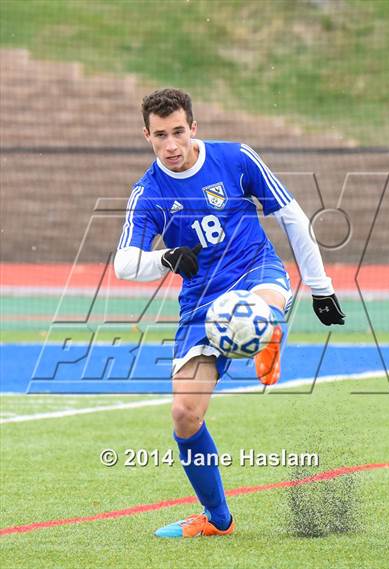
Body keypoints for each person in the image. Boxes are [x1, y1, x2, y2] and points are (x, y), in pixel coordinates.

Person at [114, 88, 345, 538]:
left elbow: (292, 216)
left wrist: (320, 288)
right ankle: (218, 519)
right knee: (184, 414)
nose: (171, 145)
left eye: (178, 131)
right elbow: (124, 262)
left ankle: (267, 331)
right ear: (146, 136)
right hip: (200, 300)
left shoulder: (236, 158)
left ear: (193, 127)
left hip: (254, 270)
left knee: (260, 302)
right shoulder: (148, 193)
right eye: (160, 136)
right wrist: (166, 259)